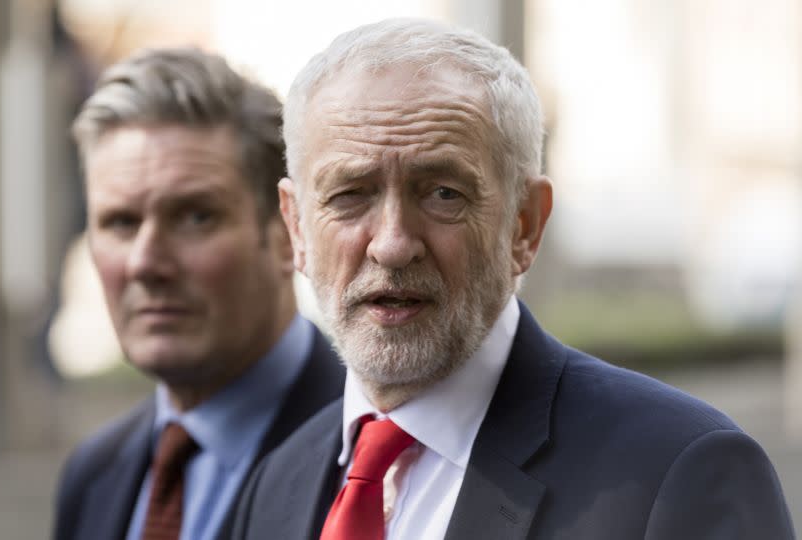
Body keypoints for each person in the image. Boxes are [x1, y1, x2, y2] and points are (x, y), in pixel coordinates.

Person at [232, 18, 794, 539]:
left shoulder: (679, 471)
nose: (393, 243)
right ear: (297, 227)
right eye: (350, 195)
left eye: (443, 193)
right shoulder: (275, 482)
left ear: (525, 224)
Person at [53, 48, 344, 540]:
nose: (145, 262)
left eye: (195, 217)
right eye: (120, 222)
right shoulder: (92, 474)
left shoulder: (373, 460)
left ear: (287, 233)